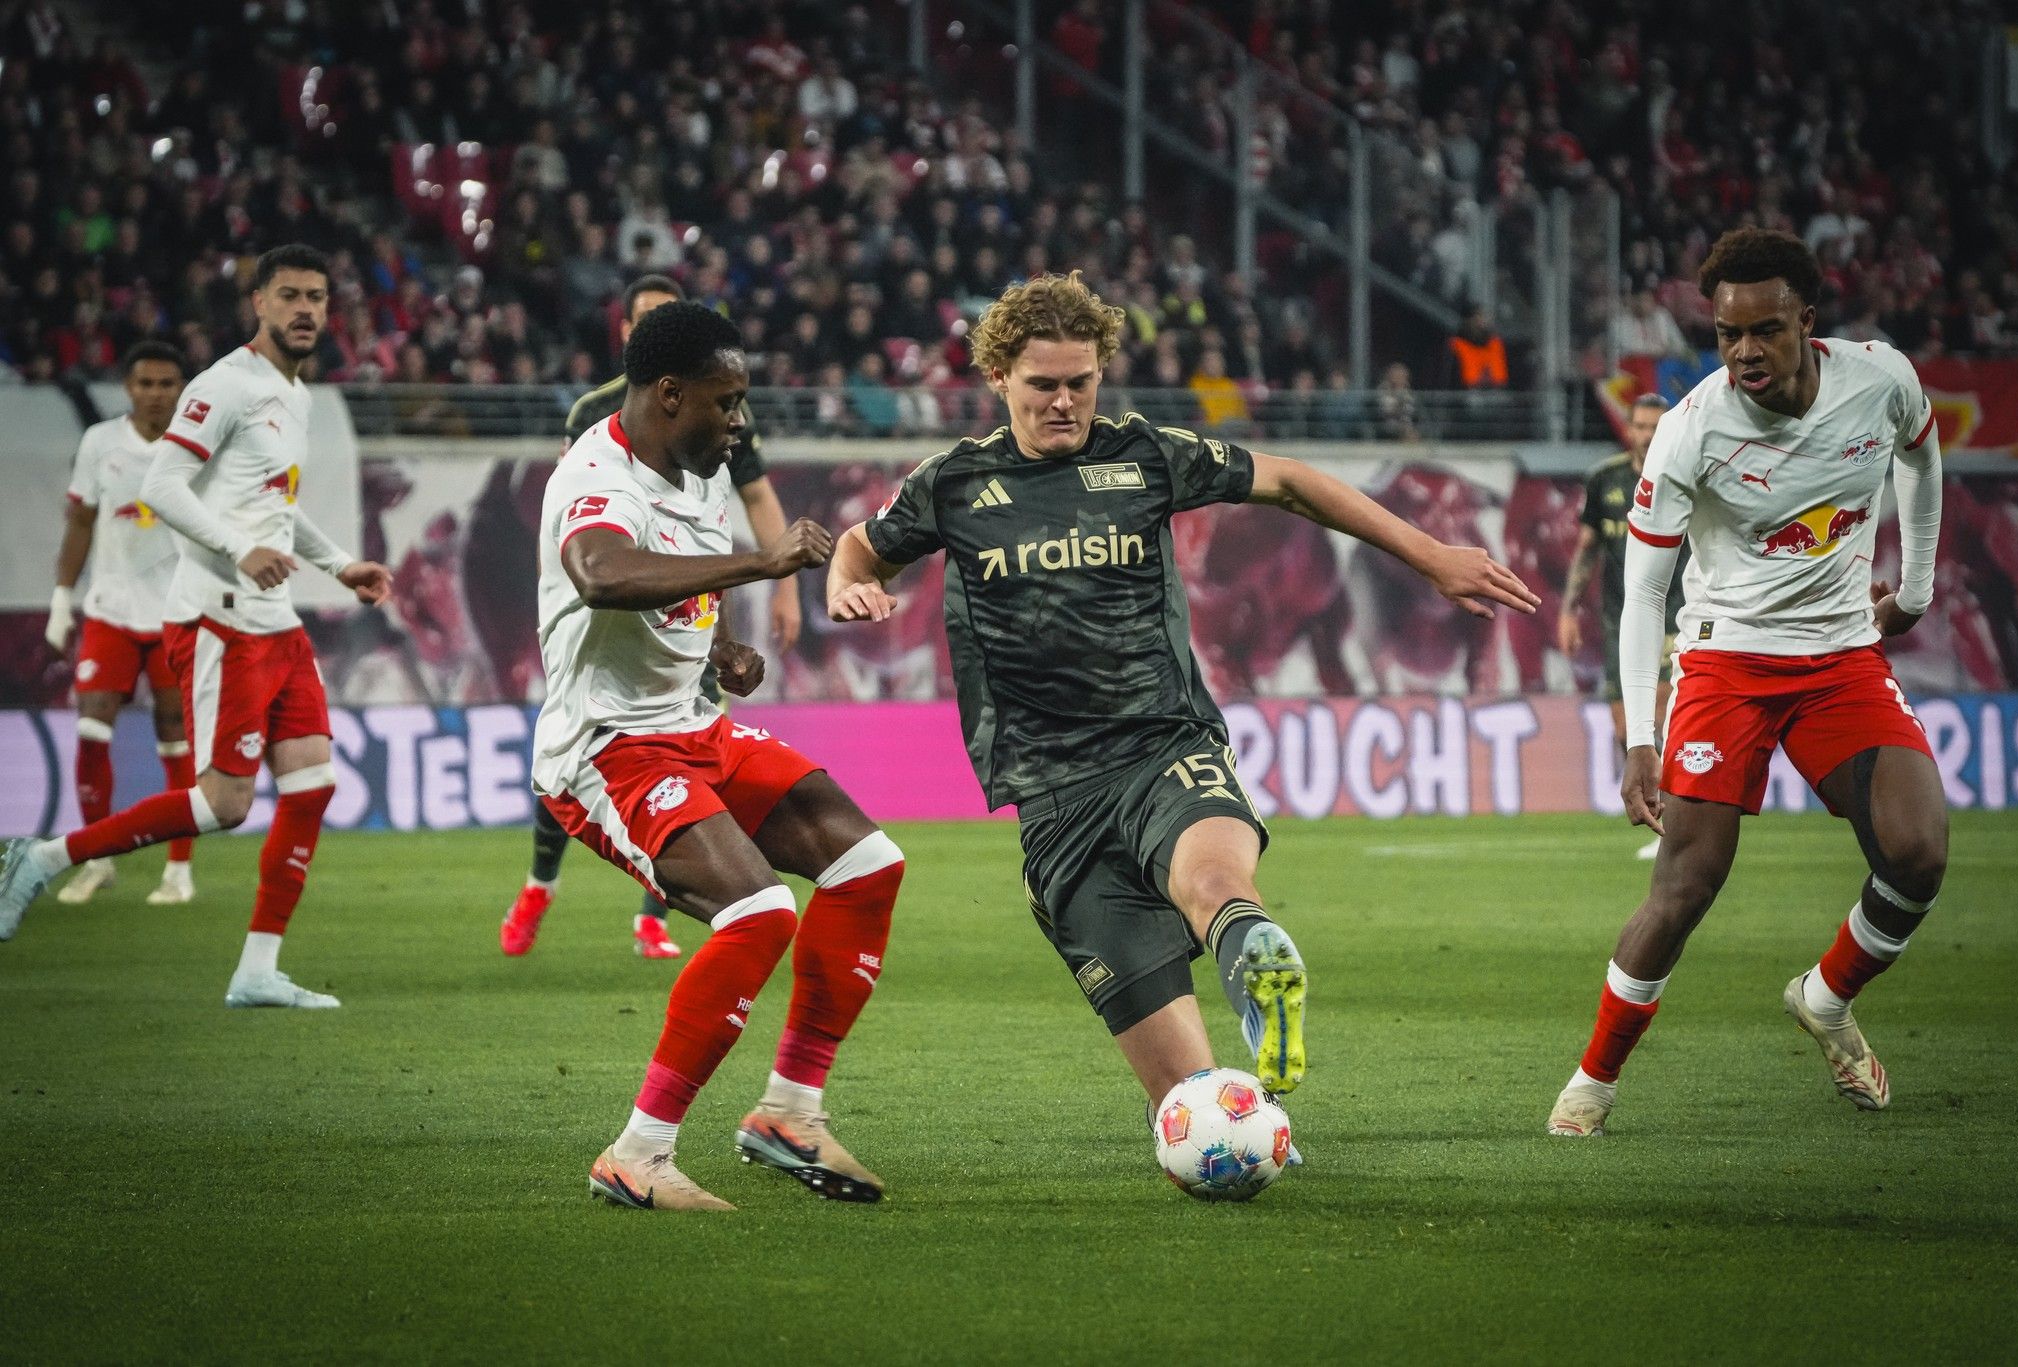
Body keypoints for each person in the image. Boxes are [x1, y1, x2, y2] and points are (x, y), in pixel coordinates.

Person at [825, 271, 1538, 1130]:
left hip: (1166, 747)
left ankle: (1255, 957)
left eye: (1080, 383)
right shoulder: (955, 485)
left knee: (1214, 882)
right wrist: (849, 586)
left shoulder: (1144, 456)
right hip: (1054, 800)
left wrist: (1426, 553)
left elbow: (1289, 481)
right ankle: (1241, 1127)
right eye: (1043, 384)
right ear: (999, 378)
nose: (1063, 402)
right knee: (1192, 1108)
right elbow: (861, 548)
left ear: (1101, 375)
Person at [1547, 228, 1947, 1138]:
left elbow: (1922, 457)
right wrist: (1638, 739)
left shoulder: (1881, 379)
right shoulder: (1692, 429)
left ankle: (1825, 994)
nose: (1742, 352)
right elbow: (1645, 589)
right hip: (1728, 662)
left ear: (1808, 321)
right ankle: (1592, 1082)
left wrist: (1915, 588)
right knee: (1688, 883)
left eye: (1763, 331)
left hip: (1842, 657)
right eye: (1727, 334)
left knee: (1919, 851)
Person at [539, 301, 903, 1211]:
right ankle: (638, 1152)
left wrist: (722, 647)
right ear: (670, 395)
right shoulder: (597, 471)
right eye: (727, 400)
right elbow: (602, 574)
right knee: (759, 913)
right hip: (607, 748)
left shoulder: (701, 465)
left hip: (692, 727)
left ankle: (789, 1111)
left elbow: (694, 569)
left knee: (866, 861)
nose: (740, 420)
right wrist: (760, 565)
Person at [1, 245, 395, 1010]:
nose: (306, 309)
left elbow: (276, 504)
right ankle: (45, 856)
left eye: (317, 296)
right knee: (223, 803)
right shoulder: (225, 385)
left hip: (275, 623)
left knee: (312, 786)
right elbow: (162, 484)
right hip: (220, 618)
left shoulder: (296, 393)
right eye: (290, 296)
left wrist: (338, 563)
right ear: (258, 302)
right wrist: (237, 549)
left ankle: (256, 970)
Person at [501, 274, 803, 960]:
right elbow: (591, 541)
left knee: (691, 777)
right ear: (630, 334)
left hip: (682, 641)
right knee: (585, 770)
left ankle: (653, 919)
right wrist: (766, 565)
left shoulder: (716, 425)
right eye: (649, 317)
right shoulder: (594, 421)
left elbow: (730, 514)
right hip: (606, 630)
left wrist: (733, 629)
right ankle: (540, 882)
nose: (732, 414)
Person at [43, 341, 200, 906]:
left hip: (175, 613)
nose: (156, 394)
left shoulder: (197, 447)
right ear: (128, 388)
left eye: (166, 384)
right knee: (91, 726)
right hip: (110, 610)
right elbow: (81, 521)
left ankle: (178, 871)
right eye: (145, 383)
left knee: (175, 737)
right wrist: (62, 597)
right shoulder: (100, 443)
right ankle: (98, 859)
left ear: (181, 389)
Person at [1557, 393, 1689, 859]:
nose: (1648, 435)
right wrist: (1568, 610)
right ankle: (1656, 808)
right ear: (1629, 429)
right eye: (1640, 426)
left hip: (1679, 610)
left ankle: (1676, 822)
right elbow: (1588, 548)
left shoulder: (1686, 473)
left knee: (1661, 709)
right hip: (1622, 617)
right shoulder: (1605, 480)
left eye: (1656, 427)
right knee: (1623, 720)